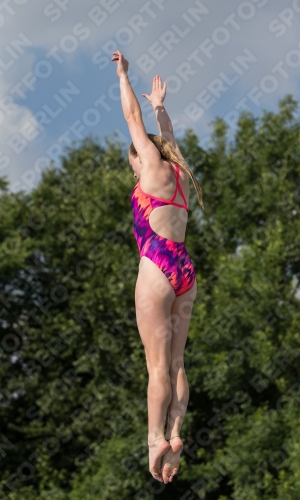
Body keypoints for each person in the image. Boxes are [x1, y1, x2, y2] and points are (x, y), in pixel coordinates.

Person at [111, 50, 204, 485]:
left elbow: (132, 118)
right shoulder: (181, 174)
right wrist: (162, 110)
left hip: (157, 265)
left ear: (140, 156)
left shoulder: (148, 164)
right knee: (178, 360)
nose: (134, 169)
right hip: (184, 269)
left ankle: (154, 442)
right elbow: (166, 134)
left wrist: (124, 75)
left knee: (156, 368)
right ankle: (176, 432)